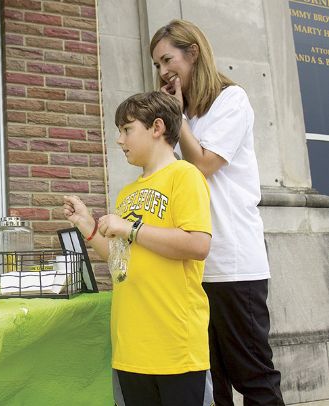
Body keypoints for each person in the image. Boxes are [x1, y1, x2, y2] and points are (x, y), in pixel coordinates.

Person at [150, 19, 284, 405]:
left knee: (255, 381)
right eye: (157, 65)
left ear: (193, 53)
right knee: (213, 385)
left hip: (235, 265)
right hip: (196, 269)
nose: (162, 72)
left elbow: (204, 165)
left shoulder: (231, 100)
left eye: (167, 60)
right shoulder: (184, 117)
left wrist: (177, 119)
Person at [64, 91, 212, 405]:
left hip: (175, 347)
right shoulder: (126, 193)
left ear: (157, 127)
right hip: (130, 347)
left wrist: (131, 228)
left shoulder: (185, 176)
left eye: (127, 129)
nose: (119, 140)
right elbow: (121, 261)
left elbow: (198, 244)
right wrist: (88, 226)